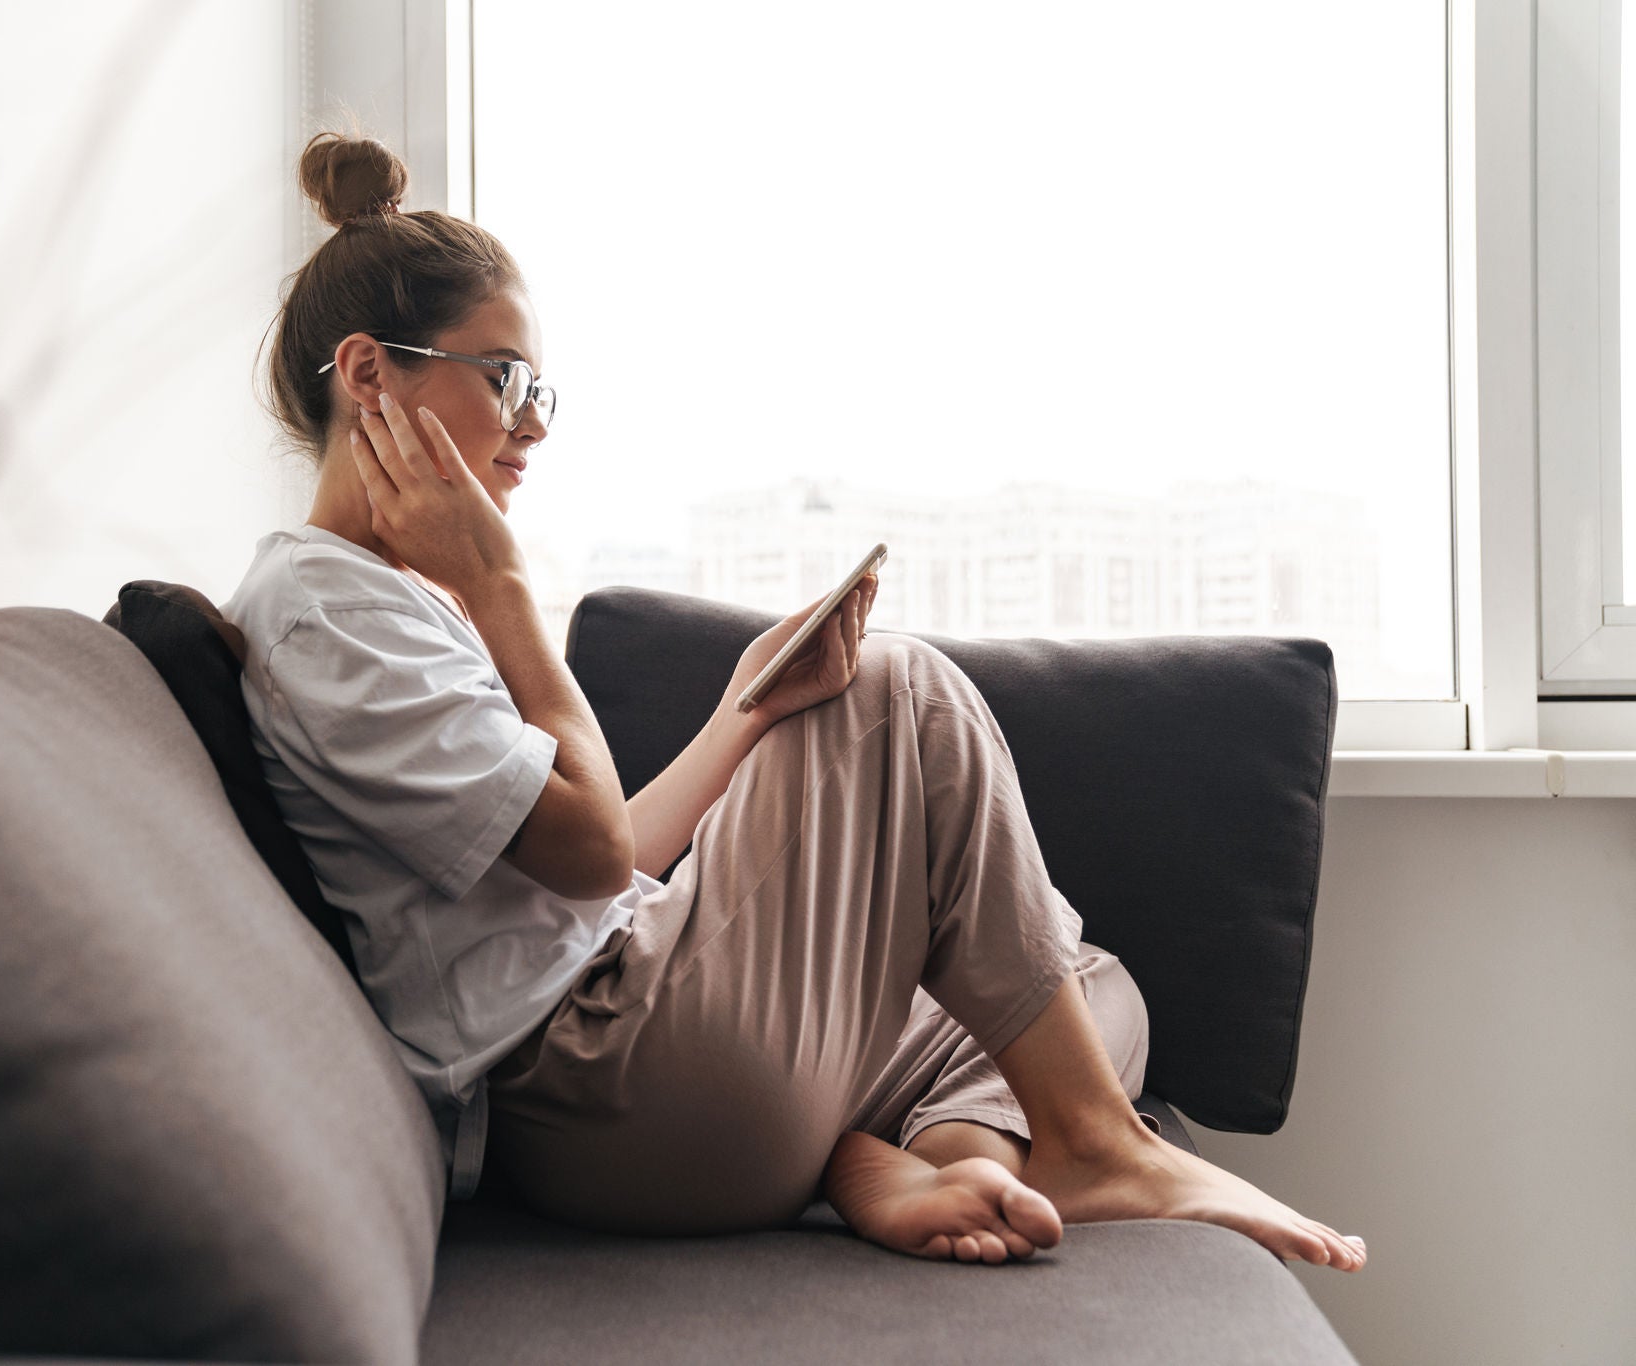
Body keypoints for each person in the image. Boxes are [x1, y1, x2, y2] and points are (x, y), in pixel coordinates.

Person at [225, 130, 1366, 1271]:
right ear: (370, 374)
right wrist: (503, 587)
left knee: (1079, 979)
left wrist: (743, 711)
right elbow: (581, 855)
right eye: (504, 377)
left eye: (541, 391)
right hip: (593, 1089)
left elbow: (605, 856)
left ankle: (935, 1157)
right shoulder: (327, 616)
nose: (530, 421)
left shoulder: (389, 600)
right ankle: (1094, 1138)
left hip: (641, 1024)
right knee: (898, 688)